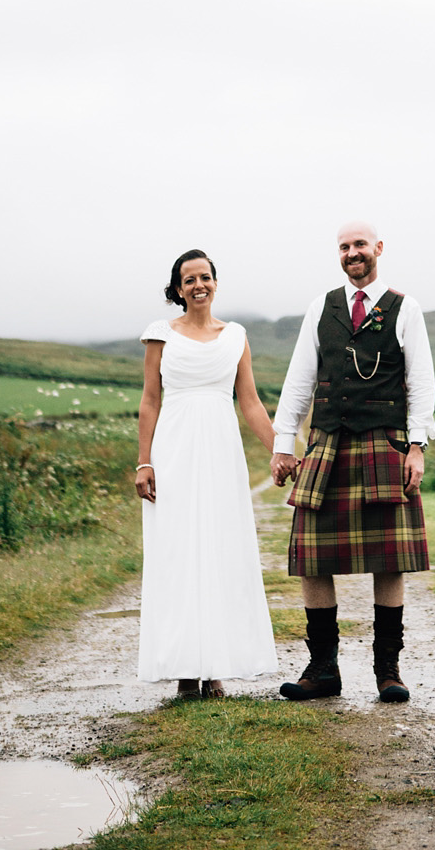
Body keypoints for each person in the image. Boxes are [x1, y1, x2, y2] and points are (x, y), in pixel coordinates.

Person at [270, 221, 435, 704]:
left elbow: (421, 381)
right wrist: (285, 441)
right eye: (344, 247)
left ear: (379, 249)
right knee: (312, 557)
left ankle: (388, 669)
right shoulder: (322, 307)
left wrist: (417, 446)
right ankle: (323, 668)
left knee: (390, 559)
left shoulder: (406, 308)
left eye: (360, 244)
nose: (352, 253)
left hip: (385, 443)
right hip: (328, 442)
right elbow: (300, 376)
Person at [136, 249, 278, 698]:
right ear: (178, 290)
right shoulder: (161, 335)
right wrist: (144, 461)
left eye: (205, 277)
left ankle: (213, 664)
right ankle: (183, 667)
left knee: (220, 549)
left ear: (215, 283)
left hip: (220, 453)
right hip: (173, 451)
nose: (198, 285)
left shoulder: (235, 336)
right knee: (177, 552)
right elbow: (150, 400)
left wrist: (282, 450)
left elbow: (250, 402)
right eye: (189, 279)